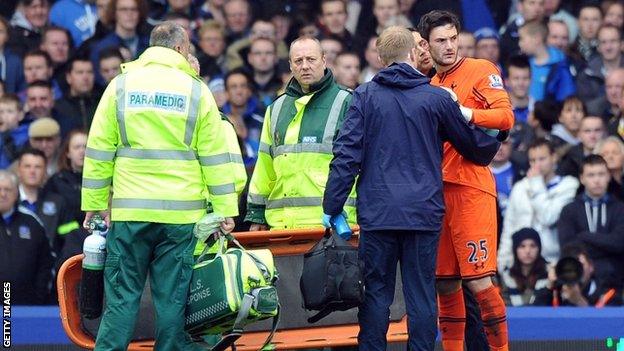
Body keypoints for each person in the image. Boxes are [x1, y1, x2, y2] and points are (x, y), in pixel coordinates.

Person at [322, 25, 500, 351]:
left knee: (376, 294)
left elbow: (347, 156)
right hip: (423, 213)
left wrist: (332, 206)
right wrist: (497, 134)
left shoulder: (363, 96)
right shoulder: (435, 98)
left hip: (378, 215)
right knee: (420, 295)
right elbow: (471, 145)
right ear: (414, 53)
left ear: (379, 57)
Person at [81, 22, 240, 350]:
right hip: (180, 218)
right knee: (172, 306)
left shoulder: (120, 87)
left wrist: (95, 203)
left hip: (130, 212)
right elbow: (214, 157)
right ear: (182, 49)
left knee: (122, 300)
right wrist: (225, 210)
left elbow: (98, 150)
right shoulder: (196, 91)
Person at [419, 10, 514, 351]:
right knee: (445, 283)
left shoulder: (480, 69)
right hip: (435, 194)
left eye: (452, 38)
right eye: (440, 41)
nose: (448, 46)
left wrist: (466, 112)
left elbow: (506, 117)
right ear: (426, 45)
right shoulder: (426, 83)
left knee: (479, 281)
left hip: (471, 188)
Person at [244, 36, 356, 230]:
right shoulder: (276, 108)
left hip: (332, 225)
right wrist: (257, 214)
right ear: (290, 65)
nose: (305, 66)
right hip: (283, 227)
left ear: (324, 60)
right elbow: (264, 166)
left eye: (311, 59)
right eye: (298, 61)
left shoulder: (347, 102)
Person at [500, 138, 579, 266]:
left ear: (554, 157)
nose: (537, 165)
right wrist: (503, 261)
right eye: (532, 160)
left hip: (551, 261)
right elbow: (509, 226)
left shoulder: (569, 185)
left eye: (542, 159)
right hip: (519, 265)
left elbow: (548, 217)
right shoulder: (520, 187)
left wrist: (537, 183)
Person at [558, 155, 624, 288]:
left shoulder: (620, 208)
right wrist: (605, 246)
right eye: (591, 175)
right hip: (577, 277)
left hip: (614, 279)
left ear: (608, 177)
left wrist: (584, 236)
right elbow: (567, 246)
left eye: (601, 174)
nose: (597, 180)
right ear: (582, 178)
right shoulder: (569, 210)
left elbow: (619, 243)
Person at [0, 169, 53, 305]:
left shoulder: (32, 223)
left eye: (8, 189)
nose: (3, 194)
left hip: (28, 307)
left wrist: (39, 296)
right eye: (0, 189)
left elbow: (45, 262)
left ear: (16, 193)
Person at [499, 228, 550, 306]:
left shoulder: (549, 273)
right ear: (515, 250)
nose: (528, 251)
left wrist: (550, 284)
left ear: (539, 249)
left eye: (533, 246)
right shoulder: (505, 276)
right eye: (522, 246)